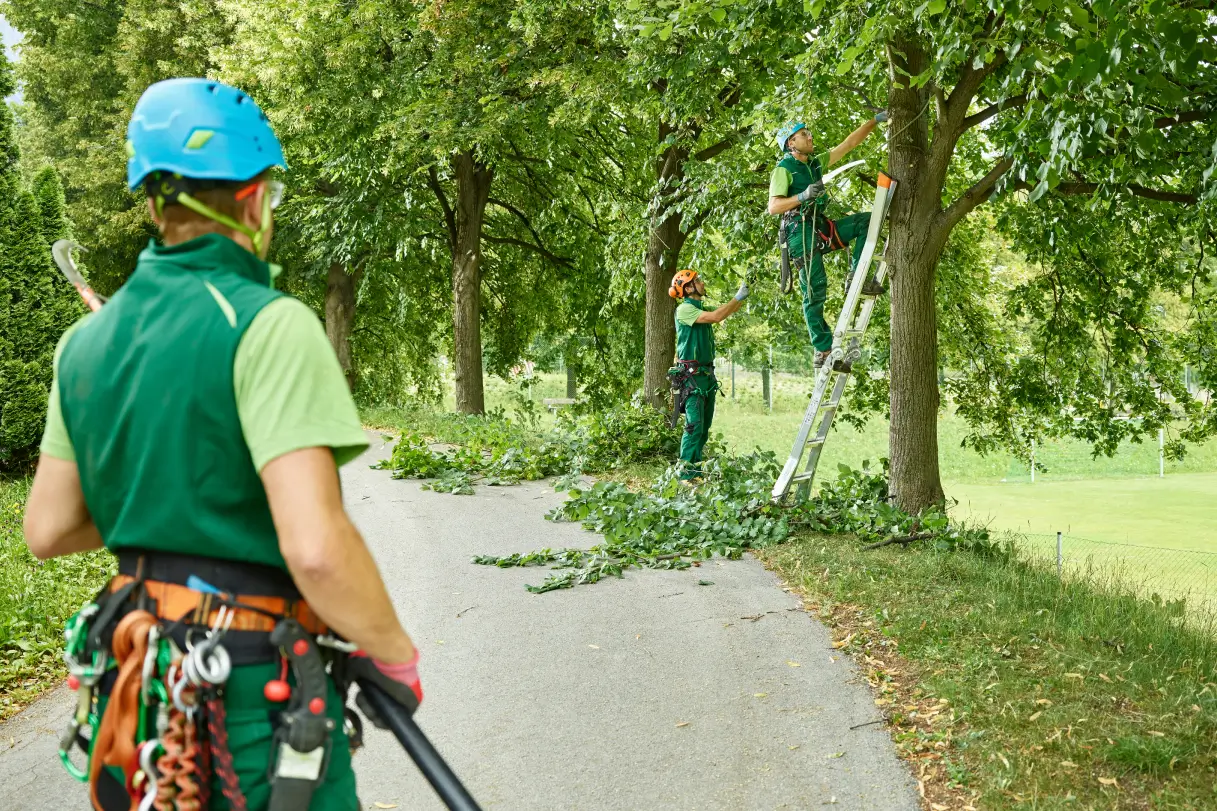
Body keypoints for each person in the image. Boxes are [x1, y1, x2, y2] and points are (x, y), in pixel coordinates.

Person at [23, 78, 420, 810]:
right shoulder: (267, 323)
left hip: (138, 691)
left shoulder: (84, 344)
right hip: (246, 701)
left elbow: (47, 527)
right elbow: (317, 548)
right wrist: (392, 650)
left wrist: (167, 497)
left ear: (152, 201)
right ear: (254, 195)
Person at [767, 114, 887, 369]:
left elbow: (849, 144)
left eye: (809, 133)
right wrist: (803, 195)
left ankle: (857, 275)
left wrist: (874, 120)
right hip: (799, 231)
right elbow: (774, 207)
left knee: (867, 221)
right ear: (791, 143)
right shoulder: (783, 169)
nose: (810, 137)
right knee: (814, 289)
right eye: (804, 134)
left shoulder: (815, 163)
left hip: (818, 225)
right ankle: (823, 350)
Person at [668, 269, 748, 479]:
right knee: (693, 427)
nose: (703, 283)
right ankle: (686, 476)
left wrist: (744, 294)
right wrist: (737, 296)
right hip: (691, 378)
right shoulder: (685, 310)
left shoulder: (699, 308)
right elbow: (716, 316)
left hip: (706, 377)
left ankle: (695, 473)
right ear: (688, 288)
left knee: (703, 429)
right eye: (698, 281)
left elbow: (725, 312)